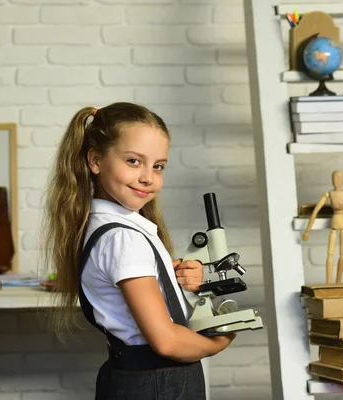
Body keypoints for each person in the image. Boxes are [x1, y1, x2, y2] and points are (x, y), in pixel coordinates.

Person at [41, 102, 236, 400]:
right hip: (160, 382)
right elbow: (167, 342)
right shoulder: (123, 239)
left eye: (158, 166)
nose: (148, 176)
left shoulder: (104, 228)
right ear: (95, 161)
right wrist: (219, 342)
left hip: (133, 378)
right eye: (133, 161)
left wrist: (177, 281)